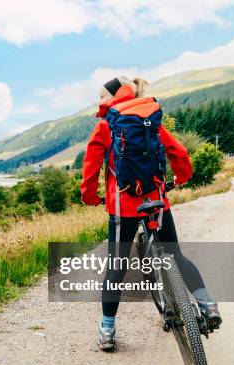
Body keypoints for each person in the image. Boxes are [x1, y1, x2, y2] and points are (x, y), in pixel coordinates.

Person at [80, 76, 221, 350]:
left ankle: (107, 330)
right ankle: (208, 304)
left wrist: (89, 197)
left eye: (101, 96)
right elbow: (178, 153)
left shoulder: (106, 126)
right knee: (176, 256)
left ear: (115, 95)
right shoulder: (151, 119)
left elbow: (90, 169)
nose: (99, 101)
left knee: (117, 266)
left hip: (124, 207)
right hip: (156, 200)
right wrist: (182, 177)